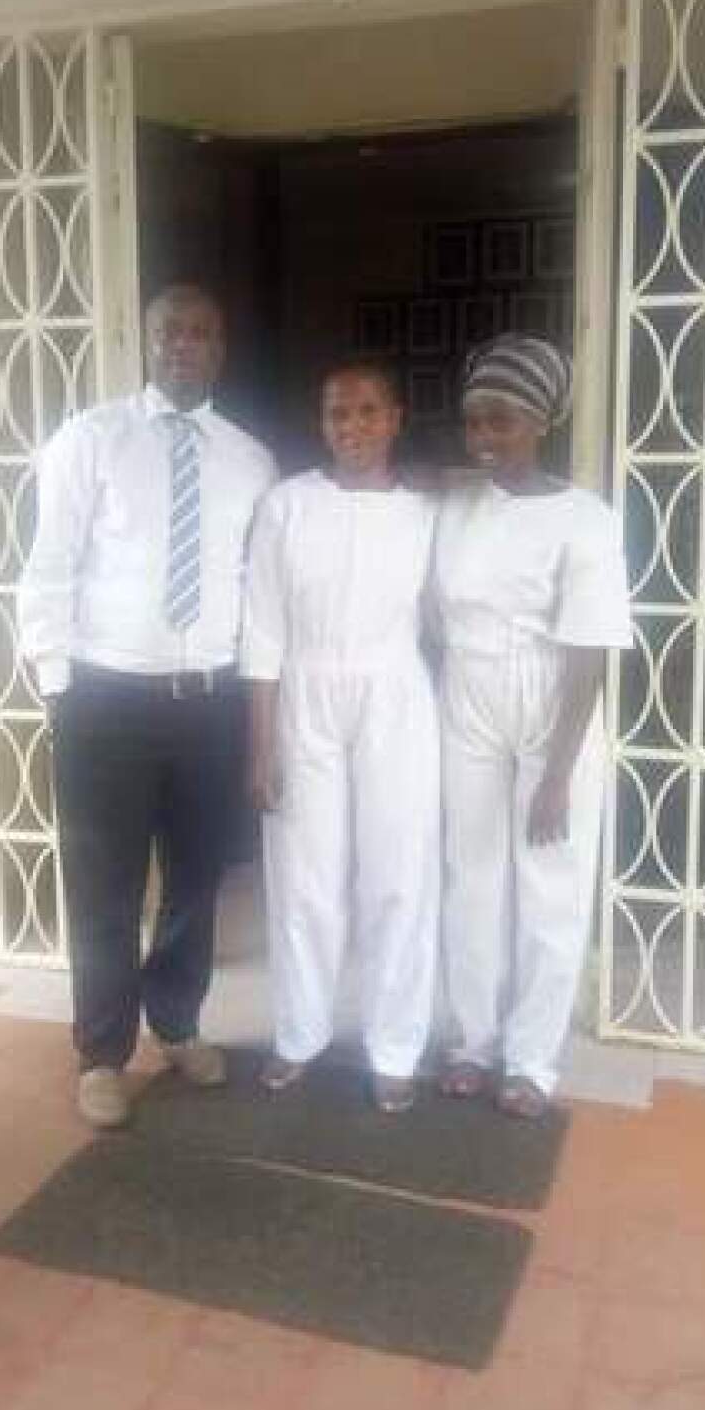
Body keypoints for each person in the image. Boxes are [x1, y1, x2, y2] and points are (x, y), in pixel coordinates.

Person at [18, 284, 275, 1127]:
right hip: (104, 696)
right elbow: (50, 566)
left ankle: (176, 1022)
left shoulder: (248, 459)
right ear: (146, 338)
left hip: (207, 699)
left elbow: (256, 584)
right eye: (171, 329)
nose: (184, 344)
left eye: (203, 331)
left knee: (198, 874)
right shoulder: (90, 441)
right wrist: (59, 686)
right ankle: (101, 1054)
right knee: (105, 883)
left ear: (222, 346)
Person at [432, 335, 632, 1119]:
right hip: (467, 692)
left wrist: (557, 773)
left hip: (556, 699)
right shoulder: (458, 503)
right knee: (471, 873)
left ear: (542, 422)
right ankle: (474, 1043)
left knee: (550, 882)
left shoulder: (588, 519)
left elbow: (588, 648)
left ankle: (532, 1058)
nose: (485, 438)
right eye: (475, 421)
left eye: (504, 422)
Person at [241, 361, 440, 1114]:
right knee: (305, 875)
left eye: (366, 412)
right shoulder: (286, 506)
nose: (350, 428)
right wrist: (261, 749)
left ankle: (395, 1046)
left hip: (395, 692)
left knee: (398, 875)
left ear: (396, 417)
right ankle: (299, 1034)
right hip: (304, 691)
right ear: (320, 423)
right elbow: (261, 631)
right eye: (335, 414)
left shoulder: (426, 507)